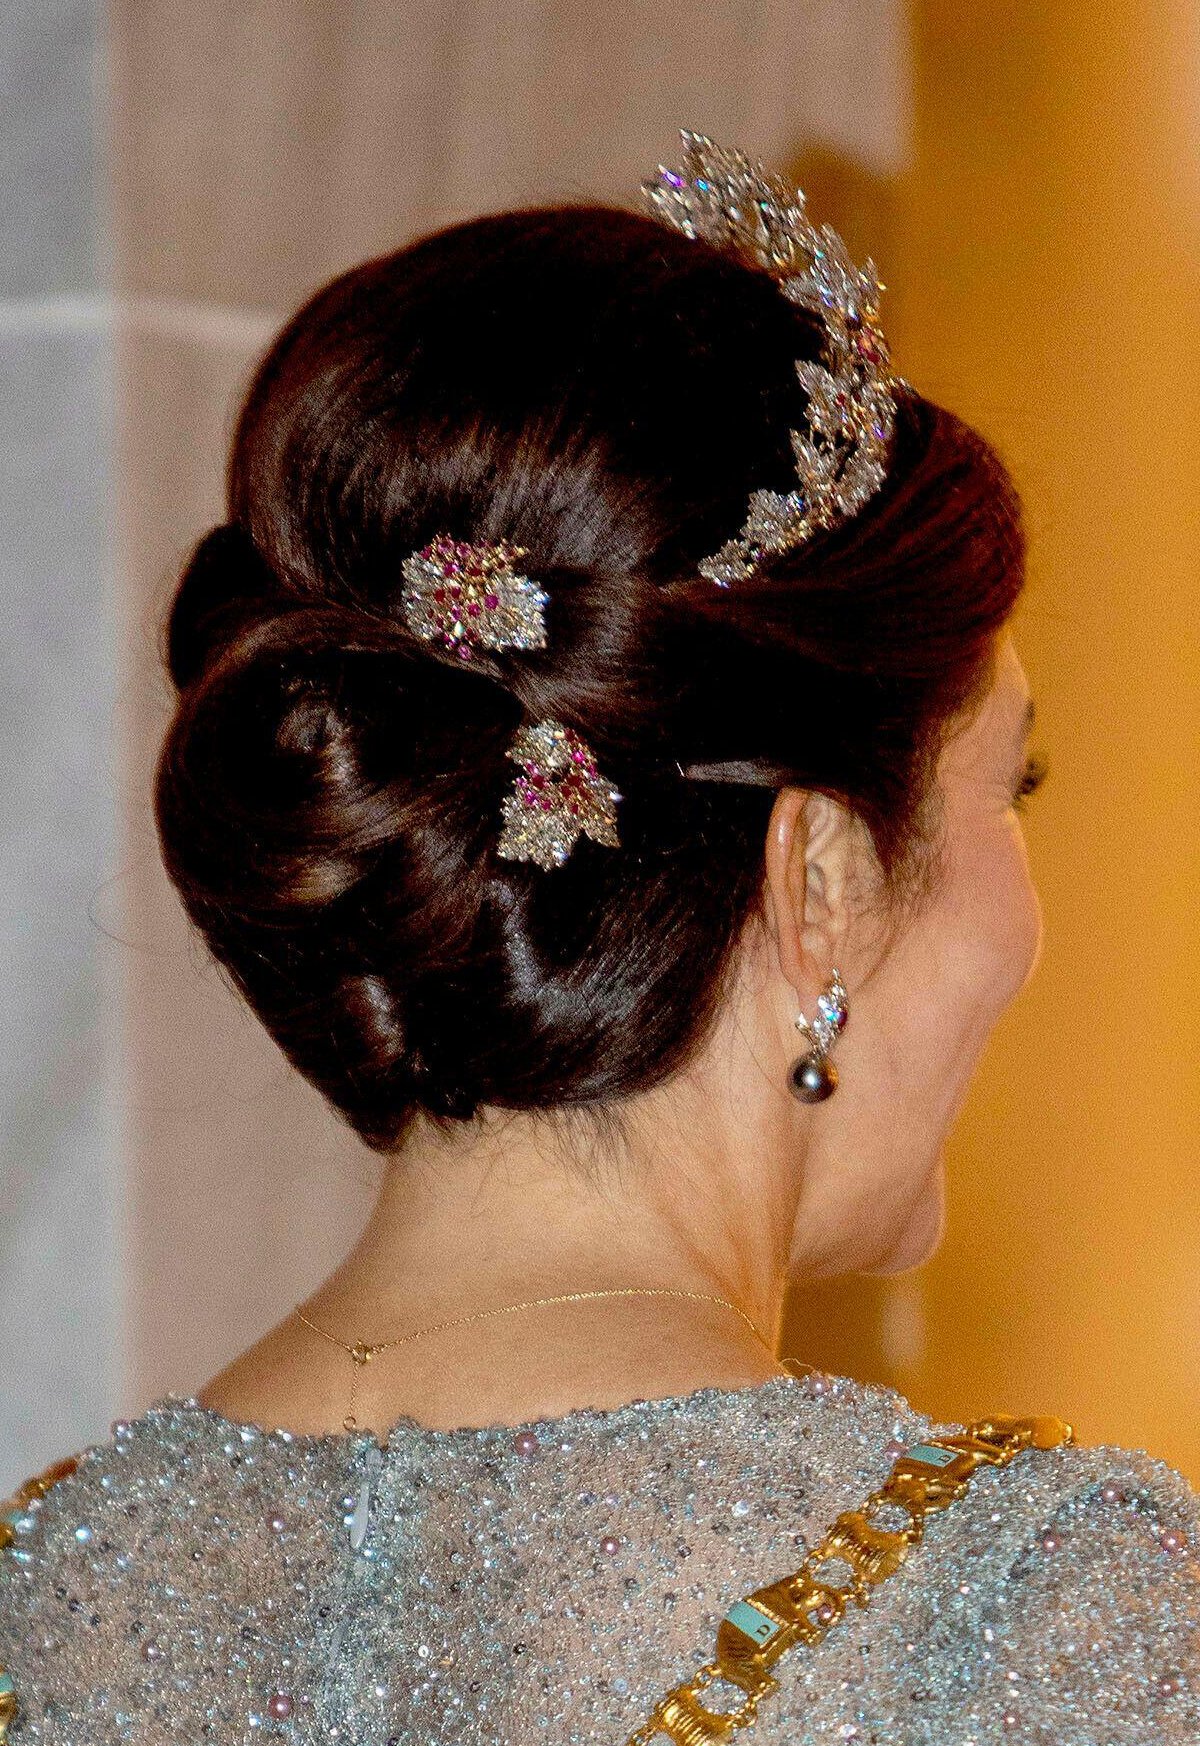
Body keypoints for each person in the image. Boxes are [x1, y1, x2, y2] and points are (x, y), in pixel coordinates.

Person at [1, 134, 1196, 1745]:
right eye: (1015, 786)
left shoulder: (50, 1593)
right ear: (824, 870)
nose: (1029, 925)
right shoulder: (1033, 1611)